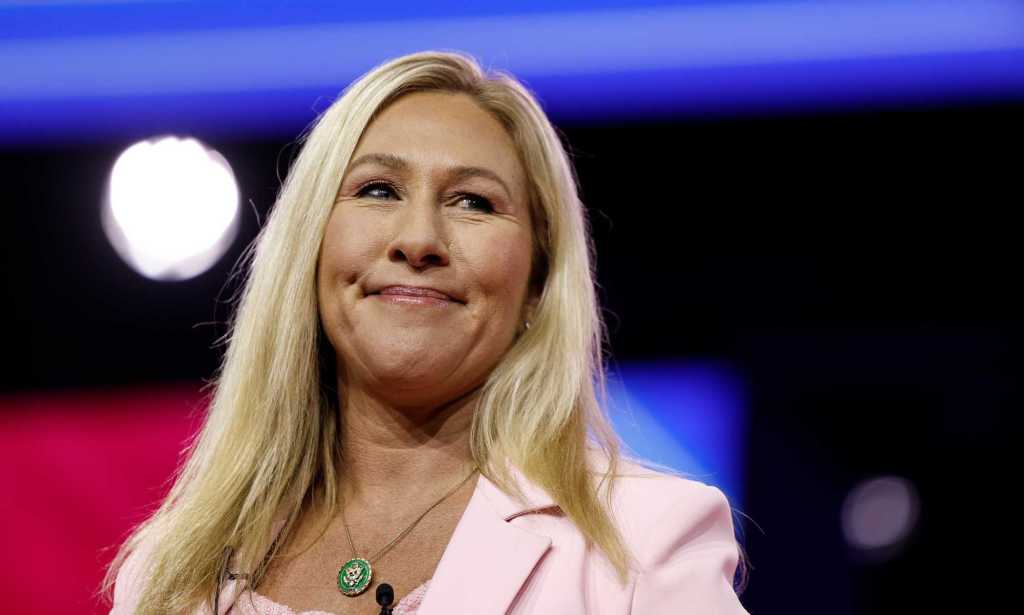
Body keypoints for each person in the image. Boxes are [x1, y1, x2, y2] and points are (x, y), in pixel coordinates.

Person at [105, 50, 749, 615]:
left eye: (474, 202)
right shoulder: (170, 570)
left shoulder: (645, 541)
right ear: (310, 244)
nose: (417, 240)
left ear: (537, 280)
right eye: (378, 190)